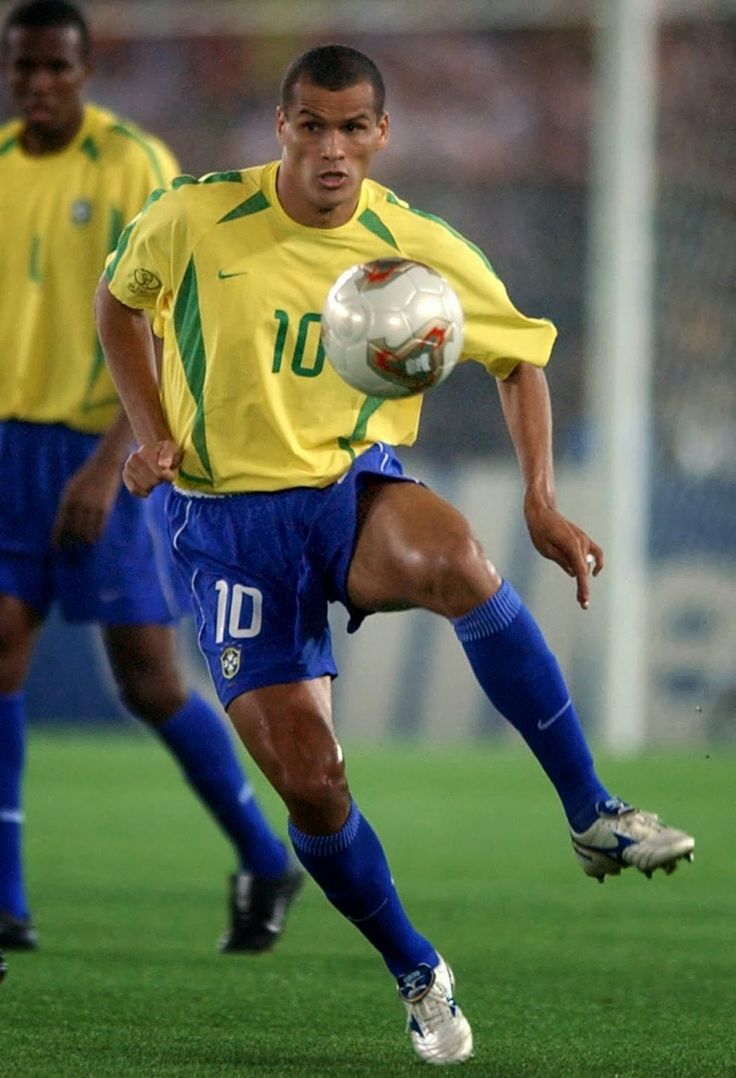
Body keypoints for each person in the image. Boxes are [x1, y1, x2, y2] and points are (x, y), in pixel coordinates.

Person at [95, 44, 695, 1066]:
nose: (332, 148)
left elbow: (521, 359)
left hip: (343, 490)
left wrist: (543, 503)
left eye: (353, 127)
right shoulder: (193, 216)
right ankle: (417, 970)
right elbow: (118, 304)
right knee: (314, 785)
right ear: (280, 125)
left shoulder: (410, 243)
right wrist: (149, 429)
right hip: (226, 531)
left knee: (460, 556)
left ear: (380, 134)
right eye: (312, 125)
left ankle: (591, 810)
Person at [0, 0, 303, 955]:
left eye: (56, 67)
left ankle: (265, 854)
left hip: (107, 448)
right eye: (22, 67)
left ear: (86, 71)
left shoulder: (135, 163)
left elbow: (170, 328)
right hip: (7, 449)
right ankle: (6, 900)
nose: (38, 84)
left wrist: (107, 462)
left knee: (147, 679)